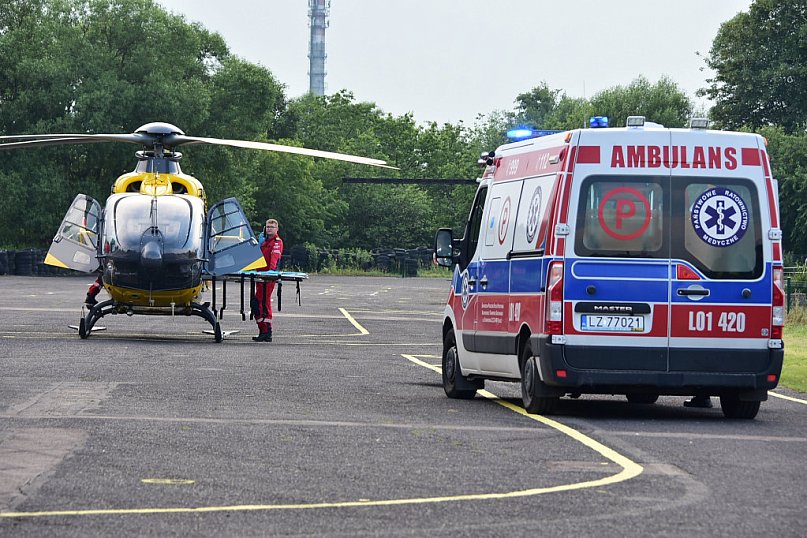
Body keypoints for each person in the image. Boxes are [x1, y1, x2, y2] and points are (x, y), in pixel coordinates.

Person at [252, 219, 284, 342]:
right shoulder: (264, 242)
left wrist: (271, 272)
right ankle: (263, 330)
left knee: (263, 303)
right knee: (257, 303)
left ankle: (267, 331)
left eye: (271, 227)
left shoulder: (276, 242)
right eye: (267, 227)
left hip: (268, 277)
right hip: (260, 276)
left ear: (276, 229)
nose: (269, 229)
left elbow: (274, 259)